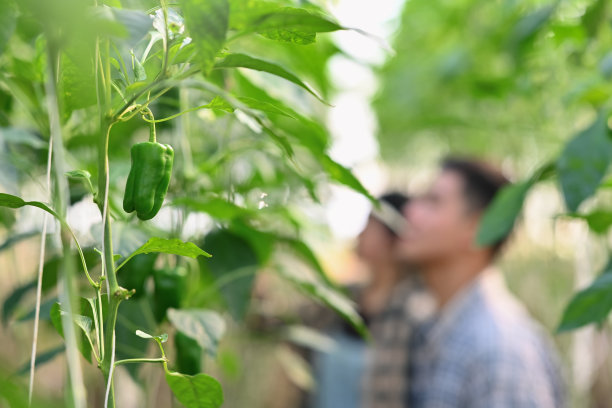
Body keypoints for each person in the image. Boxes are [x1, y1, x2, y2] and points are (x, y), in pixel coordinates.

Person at [397, 157, 566, 408]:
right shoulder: (440, 328)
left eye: (433, 202)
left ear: (477, 227)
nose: (410, 211)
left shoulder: (498, 349)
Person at [308, 192, 425, 408]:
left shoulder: (413, 314)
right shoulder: (341, 299)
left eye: (369, 225)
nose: (359, 234)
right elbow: (280, 323)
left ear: (394, 236)